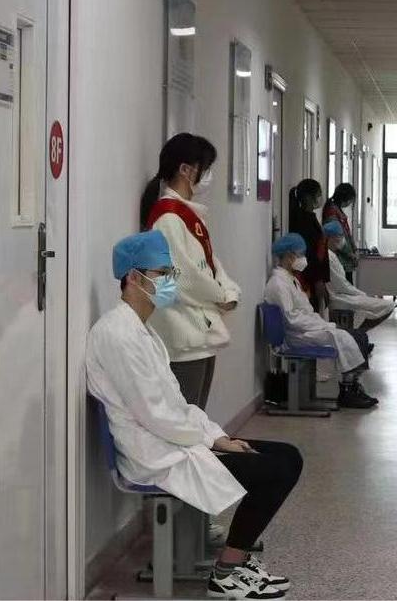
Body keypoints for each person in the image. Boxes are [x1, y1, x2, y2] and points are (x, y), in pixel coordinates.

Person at [86, 231, 300, 600]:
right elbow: (156, 415)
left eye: (170, 272)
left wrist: (218, 438)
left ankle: (235, 561)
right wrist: (210, 442)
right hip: (155, 453)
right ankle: (227, 571)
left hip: (172, 439)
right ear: (134, 277)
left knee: (288, 455)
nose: (170, 281)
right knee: (276, 470)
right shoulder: (117, 335)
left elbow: (177, 405)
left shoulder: (143, 332)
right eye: (162, 273)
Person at [140, 133, 241, 410]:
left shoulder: (189, 215)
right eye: (204, 168)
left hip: (200, 334)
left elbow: (211, 264)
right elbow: (183, 278)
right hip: (182, 335)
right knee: (186, 417)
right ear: (186, 170)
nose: (208, 176)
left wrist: (230, 291)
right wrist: (221, 296)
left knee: (197, 418)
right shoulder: (168, 218)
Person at [264, 233, 378, 409]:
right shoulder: (278, 284)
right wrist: (322, 325)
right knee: (348, 337)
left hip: (305, 330)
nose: (303, 259)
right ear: (288, 256)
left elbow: (305, 311)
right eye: (299, 254)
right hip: (296, 335)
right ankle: (347, 390)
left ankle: (352, 385)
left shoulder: (291, 280)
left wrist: (323, 324)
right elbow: (292, 319)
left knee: (359, 335)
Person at [322, 220, 393, 332]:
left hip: (342, 294)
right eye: (338, 236)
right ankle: (356, 331)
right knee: (387, 306)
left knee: (385, 305)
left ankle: (357, 332)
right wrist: (363, 294)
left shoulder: (331, 255)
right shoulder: (329, 257)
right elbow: (342, 286)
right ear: (329, 238)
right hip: (338, 297)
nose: (341, 240)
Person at [287, 179, 328, 311]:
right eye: (319, 194)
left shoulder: (309, 217)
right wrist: (317, 280)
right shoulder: (303, 221)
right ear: (308, 197)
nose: (320, 198)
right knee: (311, 310)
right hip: (308, 277)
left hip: (314, 276)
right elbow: (310, 253)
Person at [322, 183, 359, 281]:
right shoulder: (332, 211)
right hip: (340, 258)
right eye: (351, 199)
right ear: (346, 197)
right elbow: (336, 239)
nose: (350, 203)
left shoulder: (337, 210)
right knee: (345, 287)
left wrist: (354, 249)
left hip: (346, 257)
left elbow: (346, 233)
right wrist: (350, 254)